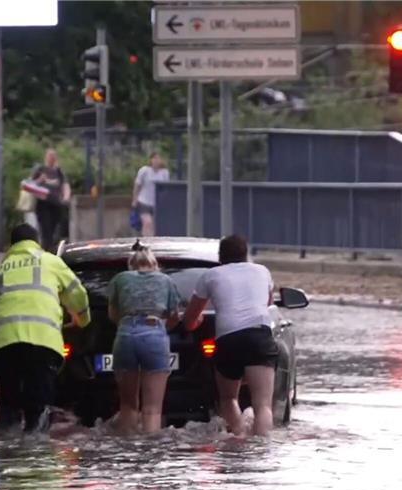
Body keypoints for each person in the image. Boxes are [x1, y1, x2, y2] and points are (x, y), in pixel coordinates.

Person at [0, 223, 91, 432]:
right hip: (42, 344)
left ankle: (6, 454)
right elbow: (78, 295)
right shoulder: (51, 262)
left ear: (11, 245)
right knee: (38, 410)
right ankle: (36, 453)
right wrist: (83, 320)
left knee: (6, 410)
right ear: (37, 243)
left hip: (4, 347)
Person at [182, 235, 278, 437]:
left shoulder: (210, 275)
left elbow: (189, 319)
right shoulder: (262, 271)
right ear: (245, 255)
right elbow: (268, 303)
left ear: (220, 256)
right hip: (259, 336)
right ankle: (262, 450)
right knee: (263, 405)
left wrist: (195, 323)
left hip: (228, 340)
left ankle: (239, 436)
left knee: (228, 399)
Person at [107, 243, 180, 434]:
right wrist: (161, 329)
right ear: (155, 265)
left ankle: (126, 454)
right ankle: (149, 453)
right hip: (155, 334)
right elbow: (174, 316)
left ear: (131, 265)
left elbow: (113, 315)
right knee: (152, 410)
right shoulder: (166, 281)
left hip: (125, 336)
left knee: (128, 405)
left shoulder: (119, 279)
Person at [30, 148, 71, 251]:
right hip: (43, 204)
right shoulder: (40, 169)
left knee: (55, 230)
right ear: (46, 157)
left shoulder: (58, 171)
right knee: (46, 230)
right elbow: (30, 184)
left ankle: (51, 250)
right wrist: (40, 180)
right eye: (50, 156)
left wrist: (66, 198)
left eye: (53, 157)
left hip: (56, 204)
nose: (52, 159)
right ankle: (46, 251)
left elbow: (65, 185)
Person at [131, 152, 169, 237]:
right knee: (147, 222)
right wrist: (134, 199)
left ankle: (151, 241)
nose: (156, 160)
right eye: (154, 158)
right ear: (151, 160)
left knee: (154, 225)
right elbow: (137, 185)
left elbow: (166, 187)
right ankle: (146, 240)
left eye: (158, 158)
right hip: (144, 201)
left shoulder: (164, 172)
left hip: (157, 203)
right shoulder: (144, 171)